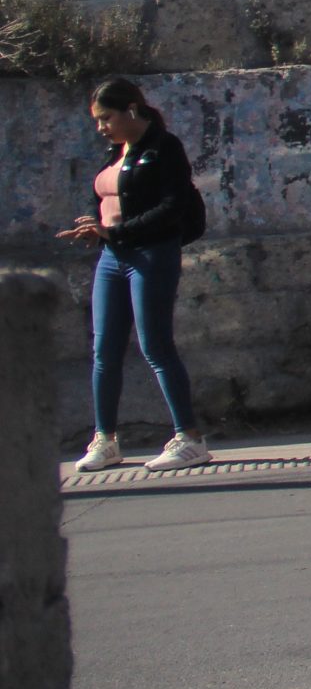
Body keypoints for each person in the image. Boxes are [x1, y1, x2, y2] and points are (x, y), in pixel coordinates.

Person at [59, 79, 212, 473]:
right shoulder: (116, 152)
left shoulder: (164, 148)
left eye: (106, 118)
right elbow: (111, 199)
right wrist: (96, 228)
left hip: (151, 254)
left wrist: (117, 231)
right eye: (97, 120)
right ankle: (105, 439)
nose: (101, 127)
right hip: (112, 258)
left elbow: (173, 206)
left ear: (131, 110)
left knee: (155, 346)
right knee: (104, 350)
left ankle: (190, 439)